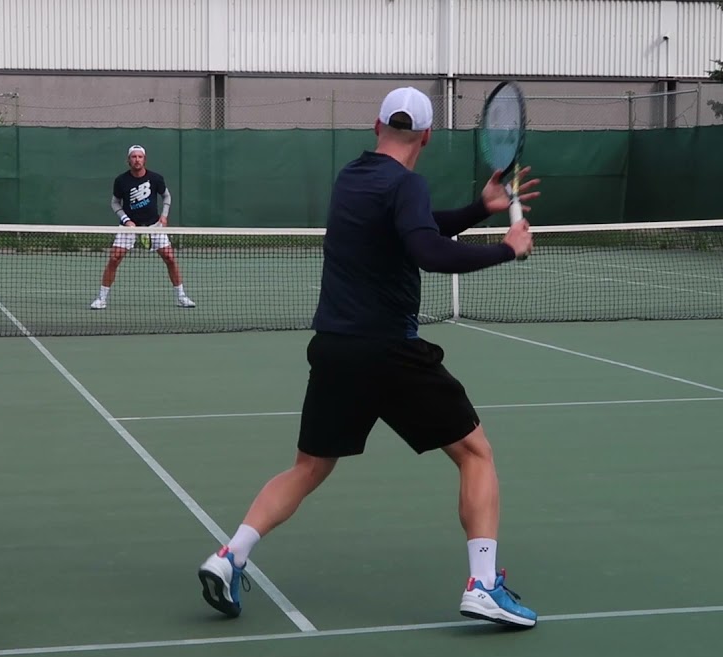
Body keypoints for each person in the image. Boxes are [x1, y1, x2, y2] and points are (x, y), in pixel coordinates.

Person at [197, 87, 541, 628]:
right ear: (427, 136)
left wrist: (480, 208)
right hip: (389, 352)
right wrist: (507, 247)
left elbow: (415, 229)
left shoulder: (352, 178)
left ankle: (229, 555)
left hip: (335, 348)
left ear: (376, 124)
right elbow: (427, 249)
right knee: (476, 454)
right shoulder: (406, 185)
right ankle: (483, 585)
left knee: (307, 468)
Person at [90, 145, 197, 309]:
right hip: (129, 228)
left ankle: (181, 297)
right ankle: (101, 298)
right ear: (128, 160)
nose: (137, 160)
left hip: (154, 226)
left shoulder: (156, 178)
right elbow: (115, 202)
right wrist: (126, 220)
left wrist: (164, 215)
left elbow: (166, 196)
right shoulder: (121, 180)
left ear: (144, 159)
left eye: (140, 157)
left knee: (170, 258)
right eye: (133, 157)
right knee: (114, 258)